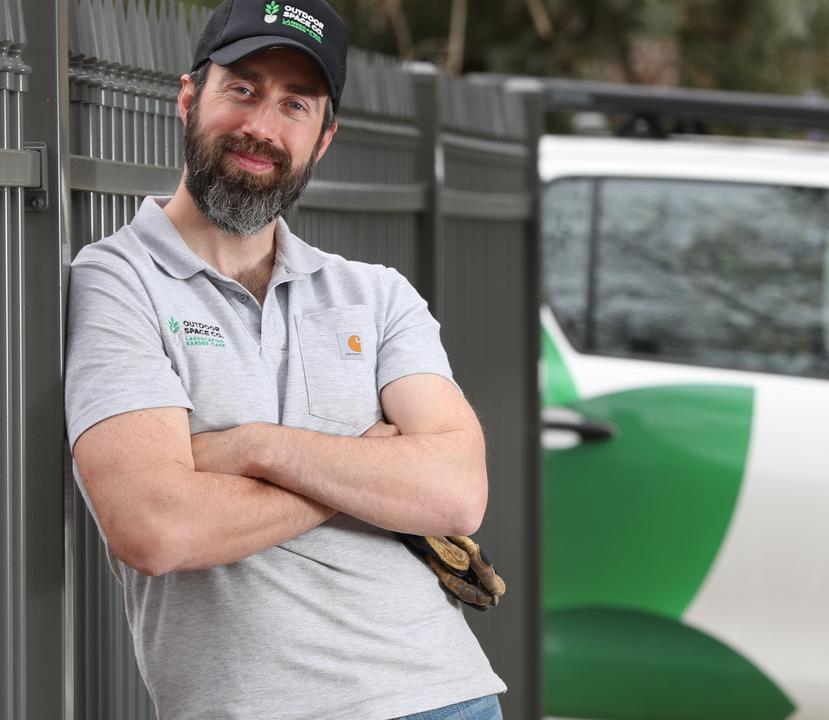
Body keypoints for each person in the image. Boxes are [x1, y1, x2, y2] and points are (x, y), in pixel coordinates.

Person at [63, 0, 506, 717]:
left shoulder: (377, 294)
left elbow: (455, 493)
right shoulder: (117, 281)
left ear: (323, 138)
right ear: (188, 97)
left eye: (294, 104)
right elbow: (156, 526)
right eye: (242, 88)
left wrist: (247, 448)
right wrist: (361, 468)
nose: (262, 127)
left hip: (447, 692)